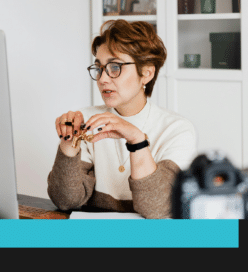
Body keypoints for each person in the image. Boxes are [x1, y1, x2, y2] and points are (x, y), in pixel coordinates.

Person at [47, 19, 197, 219]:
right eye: (99, 68)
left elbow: (158, 209)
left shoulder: (177, 130)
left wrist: (137, 141)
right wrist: (68, 144)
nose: (102, 79)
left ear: (146, 73)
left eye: (115, 67)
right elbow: (66, 200)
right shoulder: (87, 120)